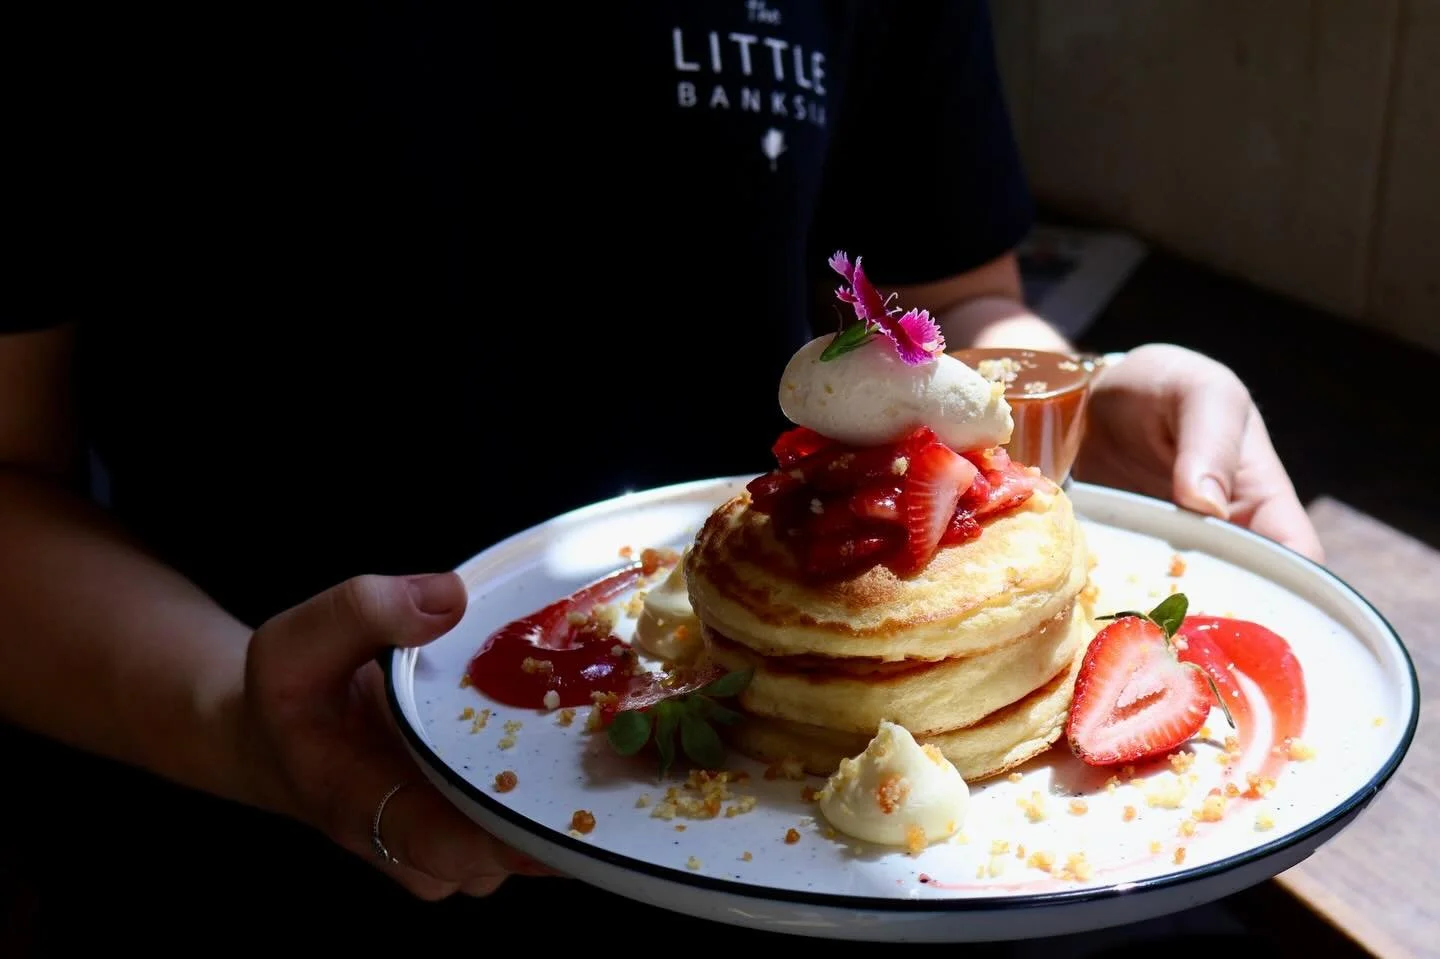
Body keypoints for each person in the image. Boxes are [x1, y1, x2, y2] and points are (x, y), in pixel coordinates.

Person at [2, 1, 1321, 951]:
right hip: (253, 859)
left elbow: (951, 304)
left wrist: (1072, 389)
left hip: (820, 851)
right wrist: (233, 722)